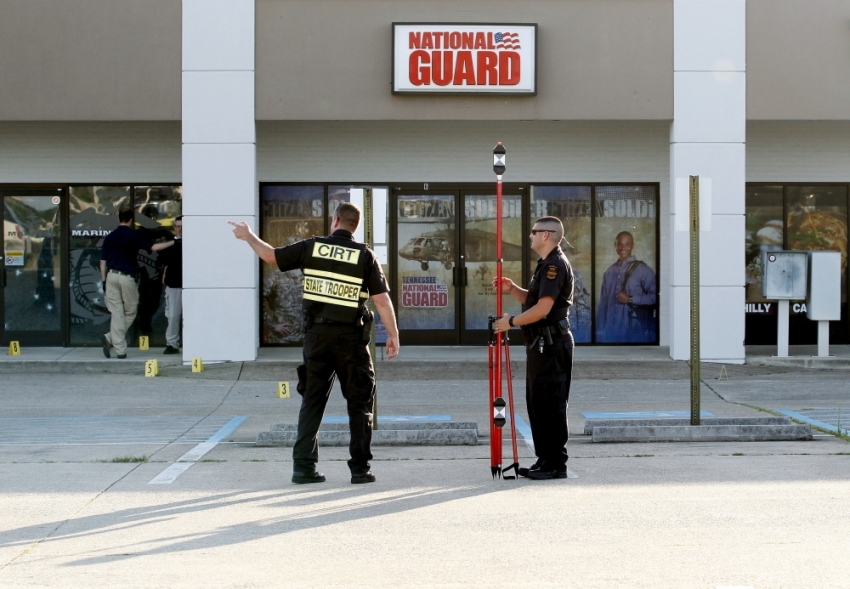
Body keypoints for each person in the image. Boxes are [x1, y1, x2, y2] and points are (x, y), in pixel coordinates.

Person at [228, 203, 400, 485]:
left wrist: (248, 236)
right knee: (359, 405)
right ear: (354, 225)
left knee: (312, 402)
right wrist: (392, 334)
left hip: (317, 338)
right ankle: (360, 470)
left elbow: (271, 257)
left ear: (335, 221)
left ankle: (303, 468)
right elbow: (381, 299)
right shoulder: (365, 255)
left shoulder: (313, 247)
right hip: (351, 340)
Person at [493, 216, 574, 480]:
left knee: (552, 403)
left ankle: (555, 463)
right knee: (537, 402)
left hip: (552, 345)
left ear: (546, 235)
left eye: (534, 232)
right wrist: (513, 288)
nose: (530, 236)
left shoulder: (554, 265)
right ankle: (544, 459)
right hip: (541, 344)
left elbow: (543, 308)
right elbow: (534, 299)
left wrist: (511, 322)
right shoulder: (544, 265)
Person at [100, 207, 173, 359]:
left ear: (119, 218)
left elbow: (102, 262)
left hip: (111, 276)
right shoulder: (133, 236)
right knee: (131, 310)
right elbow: (154, 248)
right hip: (127, 277)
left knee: (117, 312)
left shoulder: (110, 237)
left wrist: (103, 280)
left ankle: (114, 342)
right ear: (131, 220)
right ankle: (115, 344)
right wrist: (174, 241)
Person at [596, 231, 657, 343]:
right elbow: (603, 305)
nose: (623, 247)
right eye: (620, 244)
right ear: (615, 245)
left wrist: (630, 299)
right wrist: (599, 331)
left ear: (632, 246)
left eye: (627, 244)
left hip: (634, 332)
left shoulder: (644, 270)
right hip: (611, 333)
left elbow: (656, 297)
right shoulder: (608, 272)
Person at [159, 216, 183, 354]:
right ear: (174, 228)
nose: (180, 229)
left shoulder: (194, 243)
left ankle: (194, 342)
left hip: (192, 286)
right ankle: (172, 344)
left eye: (182, 226)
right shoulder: (170, 244)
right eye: (178, 226)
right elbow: (161, 263)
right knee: (173, 316)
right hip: (173, 285)